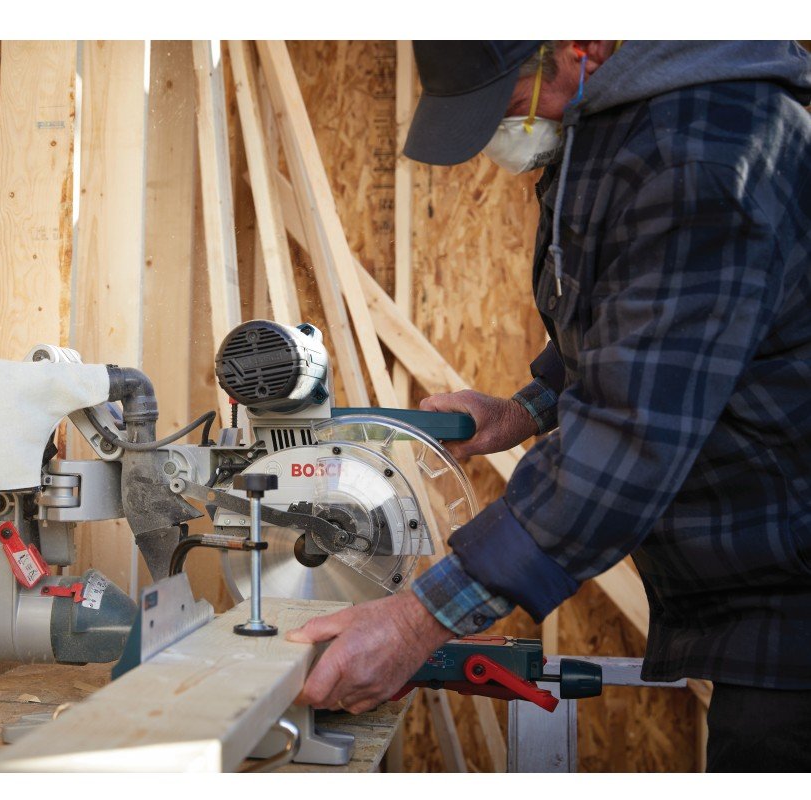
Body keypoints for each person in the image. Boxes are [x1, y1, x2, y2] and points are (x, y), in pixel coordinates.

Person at [286, 40, 811, 772]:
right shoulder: (619, 128)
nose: (506, 129)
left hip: (791, 598)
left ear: (581, 45)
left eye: (509, 100)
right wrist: (524, 411)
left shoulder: (705, 149)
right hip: (760, 585)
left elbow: (634, 435)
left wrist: (420, 619)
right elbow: (626, 334)